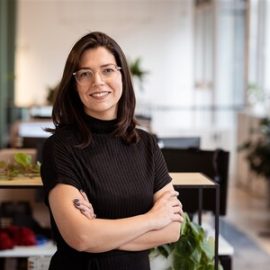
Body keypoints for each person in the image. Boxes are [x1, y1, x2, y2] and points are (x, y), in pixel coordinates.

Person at [41, 31, 183, 270]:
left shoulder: (146, 144)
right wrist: (152, 219)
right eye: (85, 74)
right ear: (74, 84)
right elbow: (81, 237)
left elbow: (172, 230)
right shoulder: (60, 147)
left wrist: (99, 231)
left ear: (122, 76)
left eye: (107, 70)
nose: (98, 81)